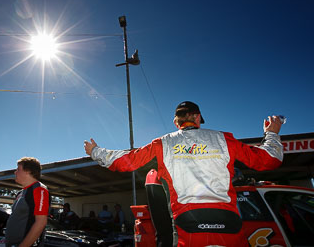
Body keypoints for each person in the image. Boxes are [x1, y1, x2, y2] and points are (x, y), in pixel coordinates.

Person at [84, 101, 284, 247]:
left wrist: (96, 151)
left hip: (187, 223)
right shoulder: (224, 139)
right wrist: (272, 133)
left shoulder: (163, 143)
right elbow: (269, 160)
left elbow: (126, 162)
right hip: (228, 221)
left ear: (175, 122)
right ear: (198, 118)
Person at [5, 157, 50, 247]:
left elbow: (41, 222)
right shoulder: (21, 193)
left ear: (28, 171)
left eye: (18, 169)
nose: (15, 172)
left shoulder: (39, 189)